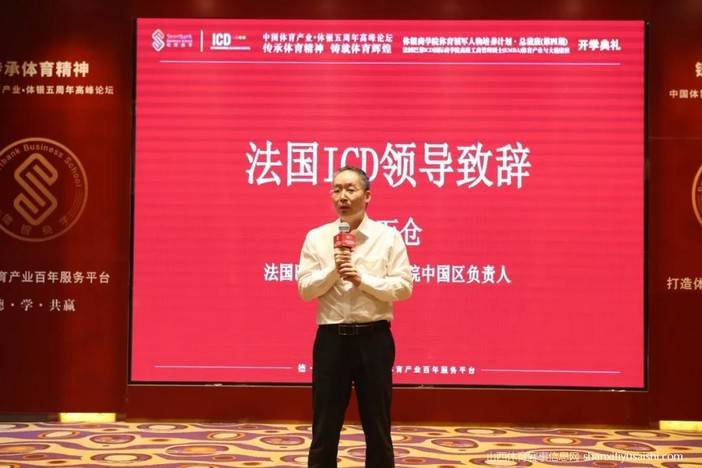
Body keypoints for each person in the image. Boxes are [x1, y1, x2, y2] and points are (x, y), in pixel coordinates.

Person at [297, 166, 413, 468]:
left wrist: (363, 280)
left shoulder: (388, 237)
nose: (342, 196)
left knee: (377, 425)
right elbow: (305, 289)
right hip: (331, 340)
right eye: (336, 190)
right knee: (324, 426)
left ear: (367, 195)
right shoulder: (317, 237)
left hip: (374, 339)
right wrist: (333, 270)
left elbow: (403, 287)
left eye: (350, 189)